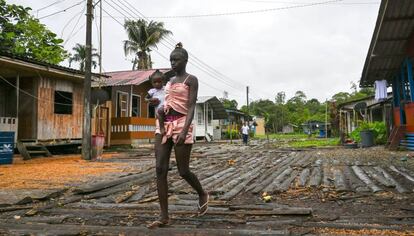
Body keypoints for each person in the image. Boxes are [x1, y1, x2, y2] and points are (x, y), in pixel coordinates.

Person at [147, 43, 209, 228]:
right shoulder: (169, 80)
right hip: (164, 123)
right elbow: (163, 99)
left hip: (182, 123)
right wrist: (155, 104)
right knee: (160, 168)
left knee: (183, 171)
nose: (173, 63)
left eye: (176, 60)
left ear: (185, 60)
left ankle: (202, 193)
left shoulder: (191, 80)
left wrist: (184, 130)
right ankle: (164, 216)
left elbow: (190, 107)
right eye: (171, 60)